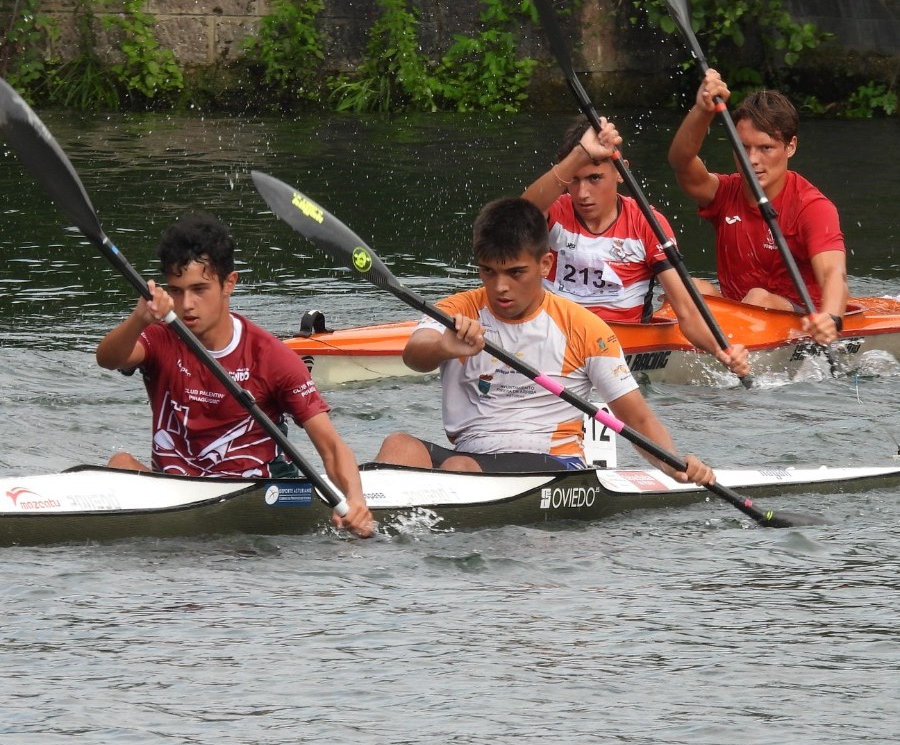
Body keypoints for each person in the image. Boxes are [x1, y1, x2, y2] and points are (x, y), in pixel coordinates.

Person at [375, 196, 714, 484]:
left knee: (458, 469)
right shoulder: (458, 311)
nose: (499, 287)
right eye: (488, 271)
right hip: (469, 456)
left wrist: (674, 466)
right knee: (398, 447)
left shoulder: (584, 328)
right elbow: (414, 353)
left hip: (554, 464)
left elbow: (636, 419)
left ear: (546, 264)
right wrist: (444, 347)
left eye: (515, 272)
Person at [96, 211, 373, 537]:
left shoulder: (271, 357)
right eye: (177, 290)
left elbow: (331, 447)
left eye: (200, 289)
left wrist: (355, 499)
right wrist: (139, 319)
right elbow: (108, 359)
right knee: (120, 463)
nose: (187, 305)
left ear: (229, 283)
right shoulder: (160, 336)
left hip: (255, 497)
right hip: (177, 491)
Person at [522, 115, 749, 378]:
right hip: (552, 340)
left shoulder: (647, 224)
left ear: (620, 172)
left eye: (594, 178)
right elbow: (520, 213)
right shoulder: (554, 213)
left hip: (620, 354)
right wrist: (580, 154)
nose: (582, 193)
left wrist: (722, 351)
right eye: (574, 179)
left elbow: (686, 309)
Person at [668, 69, 848, 347]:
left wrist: (832, 318)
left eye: (766, 148)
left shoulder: (812, 207)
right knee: (684, 288)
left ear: (790, 147)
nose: (751, 159)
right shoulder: (724, 193)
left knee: (758, 297)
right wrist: (703, 111)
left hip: (800, 319)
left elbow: (833, 274)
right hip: (737, 314)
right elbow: (681, 162)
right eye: (744, 148)